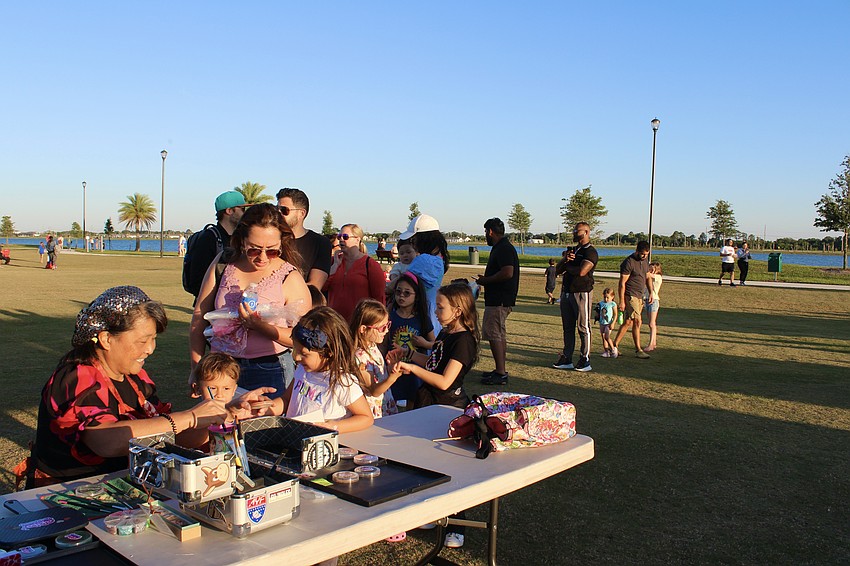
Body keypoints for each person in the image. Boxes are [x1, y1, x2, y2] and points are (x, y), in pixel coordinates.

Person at [22, 286, 226, 488]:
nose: (150, 349)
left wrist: (221, 417)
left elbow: (168, 436)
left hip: (119, 489)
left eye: (153, 339)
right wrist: (189, 417)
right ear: (106, 339)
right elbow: (106, 442)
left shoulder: (135, 378)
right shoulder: (77, 377)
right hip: (65, 494)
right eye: (143, 341)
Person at [387, 282, 480, 549]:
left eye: (441, 308)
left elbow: (445, 381)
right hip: (429, 404)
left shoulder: (463, 341)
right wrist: (408, 354)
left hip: (448, 409)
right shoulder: (446, 332)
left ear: (458, 310)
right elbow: (433, 363)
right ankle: (434, 514)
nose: (436, 312)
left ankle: (457, 525)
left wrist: (412, 369)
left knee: (451, 469)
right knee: (427, 464)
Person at [190, 204, 311, 399]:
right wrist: (196, 367)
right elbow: (199, 316)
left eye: (272, 251)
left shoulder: (289, 276)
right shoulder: (224, 263)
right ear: (241, 241)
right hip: (220, 368)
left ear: (282, 243)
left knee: (264, 419)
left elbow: (305, 337)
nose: (263, 257)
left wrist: (261, 326)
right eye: (254, 249)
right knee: (218, 419)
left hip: (269, 369)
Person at [234, 307, 374, 434]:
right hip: (294, 437)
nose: (296, 357)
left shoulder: (341, 381)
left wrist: (332, 426)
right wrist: (267, 408)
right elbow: (286, 400)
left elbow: (366, 417)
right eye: (295, 350)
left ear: (329, 352)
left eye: (304, 354)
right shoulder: (303, 370)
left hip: (321, 445)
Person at [476, 218, 519, 386]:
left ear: (490, 232)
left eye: (485, 232)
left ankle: (501, 373)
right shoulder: (502, 247)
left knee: (493, 332)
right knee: (498, 333)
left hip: (499, 299)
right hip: (499, 298)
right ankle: (500, 369)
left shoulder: (503, 248)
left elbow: (508, 272)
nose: (485, 235)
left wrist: (486, 280)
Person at [185, 190, 249, 301]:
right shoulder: (208, 238)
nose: (245, 214)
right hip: (210, 306)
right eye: (242, 209)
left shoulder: (239, 238)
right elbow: (197, 280)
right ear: (229, 211)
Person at [552, 222, 598, 372]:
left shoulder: (590, 252)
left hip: (582, 292)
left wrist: (568, 267)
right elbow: (557, 270)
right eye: (573, 230)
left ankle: (585, 359)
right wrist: (565, 260)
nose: (573, 233)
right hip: (567, 291)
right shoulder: (573, 250)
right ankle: (567, 357)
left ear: (586, 232)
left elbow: (582, 272)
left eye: (576, 231)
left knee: (583, 326)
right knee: (568, 327)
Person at [385, 272, 435, 407]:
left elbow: (435, 345)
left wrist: (424, 343)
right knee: (391, 403)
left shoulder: (422, 319)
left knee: (413, 405)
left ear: (417, 296)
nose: (401, 296)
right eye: (398, 292)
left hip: (415, 371)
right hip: (394, 368)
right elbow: (384, 343)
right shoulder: (390, 317)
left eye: (407, 293)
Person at [397, 214, 450, 334]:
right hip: (433, 311)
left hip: (420, 313)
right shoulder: (438, 258)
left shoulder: (423, 260)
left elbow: (400, 284)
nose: (412, 243)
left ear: (422, 239)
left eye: (413, 239)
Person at [323, 224, 386, 322]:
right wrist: (335, 265)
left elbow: (379, 298)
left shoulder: (370, 265)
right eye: (339, 237)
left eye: (345, 237)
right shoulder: (333, 261)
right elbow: (322, 287)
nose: (341, 240)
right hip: (334, 321)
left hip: (359, 322)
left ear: (357, 239)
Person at [276, 188, 333, 289]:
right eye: (277, 210)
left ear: (301, 213)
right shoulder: (271, 240)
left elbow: (315, 285)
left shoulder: (320, 243)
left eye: (284, 210)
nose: (278, 214)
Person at [350, 299, 398, 419]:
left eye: (388, 325)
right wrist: (393, 378)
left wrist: (390, 368)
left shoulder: (372, 346)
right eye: (382, 328)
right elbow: (373, 391)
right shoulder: (360, 356)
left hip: (384, 405)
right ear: (363, 329)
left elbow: (379, 378)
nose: (386, 330)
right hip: (372, 412)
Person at [613, 241, 651, 359]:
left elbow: (648, 277)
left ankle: (614, 345)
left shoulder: (645, 261)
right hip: (630, 295)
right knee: (637, 321)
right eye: (642, 254)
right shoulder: (629, 262)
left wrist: (651, 293)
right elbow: (622, 283)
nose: (644, 256)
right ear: (637, 251)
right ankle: (638, 350)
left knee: (628, 321)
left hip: (640, 296)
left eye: (646, 254)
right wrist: (622, 301)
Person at [644, 262, 663, 352]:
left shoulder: (658, 277)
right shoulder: (650, 278)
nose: (651, 270)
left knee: (652, 323)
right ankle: (653, 342)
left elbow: (648, 275)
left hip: (654, 300)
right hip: (647, 300)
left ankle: (651, 344)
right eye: (650, 268)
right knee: (651, 323)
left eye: (652, 269)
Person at [598, 288, 619, 358]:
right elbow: (599, 312)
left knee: (607, 337)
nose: (606, 299)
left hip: (608, 323)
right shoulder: (601, 303)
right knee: (603, 337)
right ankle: (606, 351)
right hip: (602, 322)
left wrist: (613, 323)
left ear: (612, 297)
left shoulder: (613, 304)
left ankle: (613, 349)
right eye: (605, 297)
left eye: (607, 297)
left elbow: (615, 314)